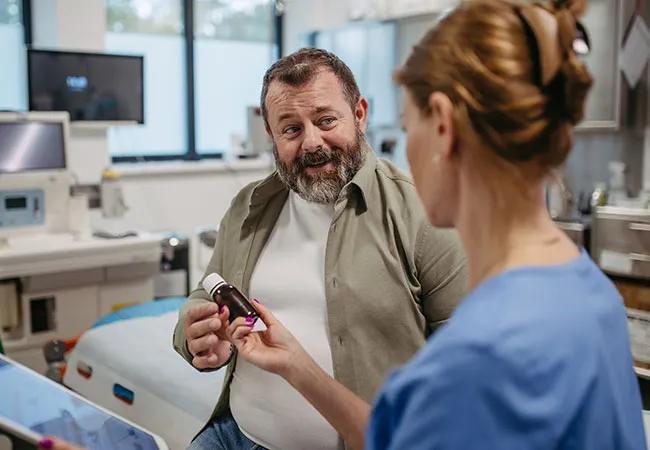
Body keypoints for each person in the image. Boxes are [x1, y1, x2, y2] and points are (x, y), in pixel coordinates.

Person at [223, 1, 648, 449]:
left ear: (443, 127)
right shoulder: (589, 291)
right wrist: (297, 365)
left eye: (409, 127)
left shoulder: (477, 356)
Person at [173, 48, 467, 450]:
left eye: (326, 120)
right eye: (291, 129)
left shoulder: (423, 213)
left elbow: (467, 369)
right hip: (234, 436)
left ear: (359, 113)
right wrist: (197, 335)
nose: (312, 143)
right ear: (272, 137)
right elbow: (205, 292)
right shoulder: (249, 208)